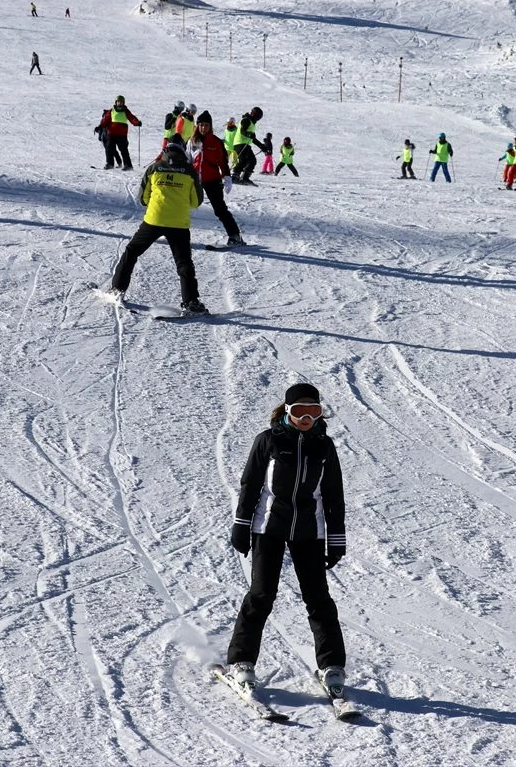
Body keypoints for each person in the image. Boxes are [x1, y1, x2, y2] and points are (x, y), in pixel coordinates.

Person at [224, 382, 348, 696]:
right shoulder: (268, 441)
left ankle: (331, 666)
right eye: (299, 410)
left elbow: (334, 495)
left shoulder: (324, 446)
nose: (306, 418)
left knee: (318, 599)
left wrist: (335, 537)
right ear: (287, 411)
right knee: (261, 595)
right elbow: (250, 484)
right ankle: (241, 661)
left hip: (309, 531)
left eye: (313, 411)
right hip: (269, 527)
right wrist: (241, 525)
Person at [110, 142, 209, 315]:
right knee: (184, 263)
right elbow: (196, 202)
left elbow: (142, 198)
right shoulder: (189, 171)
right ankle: (191, 301)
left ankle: (117, 288)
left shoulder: (154, 168)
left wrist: (158, 203)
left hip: (154, 220)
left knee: (132, 251)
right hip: (178, 223)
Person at [191, 110, 245, 246]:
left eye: (206, 125)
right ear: (197, 126)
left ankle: (235, 235)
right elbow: (187, 160)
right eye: (201, 125)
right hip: (194, 180)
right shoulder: (192, 142)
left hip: (212, 180)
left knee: (220, 209)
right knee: (181, 205)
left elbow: (222, 162)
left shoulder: (216, 142)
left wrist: (226, 177)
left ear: (210, 127)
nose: (203, 128)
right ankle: (171, 231)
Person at [97, 95, 141, 170]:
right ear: (116, 102)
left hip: (122, 134)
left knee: (124, 150)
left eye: (121, 102)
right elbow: (106, 120)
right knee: (109, 149)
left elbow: (132, 118)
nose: (119, 103)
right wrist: (100, 126)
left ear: (123, 103)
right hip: (111, 134)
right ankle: (109, 164)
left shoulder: (126, 111)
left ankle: (128, 165)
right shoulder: (112, 110)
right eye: (118, 102)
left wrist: (136, 122)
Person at [232, 106, 264, 185]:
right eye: (257, 117)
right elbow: (243, 131)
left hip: (244, 144)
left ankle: (244, 178)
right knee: (245, 160)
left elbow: (253, 138)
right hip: (240, 143)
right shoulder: (246, 120)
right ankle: (235, 177)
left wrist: (261, 146)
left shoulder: (252, 123)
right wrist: (249, 134)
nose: (257, 119)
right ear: (253, 114)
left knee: (251, 160)